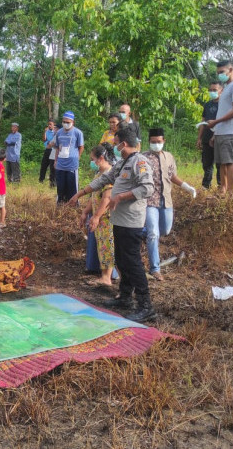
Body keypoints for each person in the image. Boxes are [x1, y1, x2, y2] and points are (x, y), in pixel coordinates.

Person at [86, 127, 156, 322]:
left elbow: (147, 188)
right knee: (122, 259)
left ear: (123, 144)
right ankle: (125, 297)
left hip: (131, 221)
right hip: (119, 220)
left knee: (132, 262)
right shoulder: (122, 163)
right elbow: (105, 179)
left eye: (116, 143)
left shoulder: (140, 162)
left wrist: (121, 197)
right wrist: (80, 194)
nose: (115, 147)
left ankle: (145, 305)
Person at [142, 129, 196, 281]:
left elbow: (172, 176)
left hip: (166, 200)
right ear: (149, 142)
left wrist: (186, 186)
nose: (156, 144)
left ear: (164, 141)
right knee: (153, 233)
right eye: (153, 142)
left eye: (159, 142)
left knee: (165, 230)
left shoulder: (169, 157)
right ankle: (155, 268)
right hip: (150, 200)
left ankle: (140, 232)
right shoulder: (143, 158)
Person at [80, 143, 119, 287]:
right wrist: (86, 211)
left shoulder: (109, 175)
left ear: (101, 158)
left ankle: (107, 277)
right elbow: (94, 196)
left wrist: (96, 216)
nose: (92, 162)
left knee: (107, 245)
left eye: (93, 159)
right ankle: (103, 275)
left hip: (106, 217)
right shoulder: (99, 174)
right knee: (101, 244)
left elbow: (106, 198)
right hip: (98, 217)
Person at [206, 60, 233, 197]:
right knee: (221, 162)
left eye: (222, 72)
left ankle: (230, 192)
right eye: (218, 73)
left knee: (228, 161)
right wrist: (215, 132)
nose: (220, 75)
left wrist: (217, 121)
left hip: (230, 130)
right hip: (221, 131)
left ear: (231, 70)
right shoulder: (226, 87)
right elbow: (223, 111)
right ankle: (223, 189)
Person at [54, 111, 85, 204]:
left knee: (72, 186)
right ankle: (61, 203)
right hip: (60, 164)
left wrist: (77, 157)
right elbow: (57, 148)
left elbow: (81, 147)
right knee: (60, 186)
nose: (65, 124)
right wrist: (56, 161)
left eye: (68, 122)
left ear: (73, 122)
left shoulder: (77, 133)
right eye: (64, 122)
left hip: (72, 164)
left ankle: (73, 205)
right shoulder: (59, 132)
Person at [196, 81, 222, 189]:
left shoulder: (224, 105)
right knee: (206, 163)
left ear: (221, 91)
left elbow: (223, 122)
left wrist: (215, 135)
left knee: (220, 164)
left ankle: (221, 186)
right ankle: (206, 186)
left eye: (214, 90)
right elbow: (203, 122)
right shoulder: (207, 105)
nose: (212, 92)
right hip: (206, 138)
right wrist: (199, 138)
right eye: (210, 90)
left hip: (219, 137)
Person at [39, 120, 57, 186]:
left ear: (53, 125)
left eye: (50, 124)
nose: (49, 126)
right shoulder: (47, 131)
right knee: (43, 165)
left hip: (53, 151)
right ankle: (41, 180)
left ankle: (52, 182)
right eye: (48, 124)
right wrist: (45, 132)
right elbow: (44, 140)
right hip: (47, 150)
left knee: (52, 167)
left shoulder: (56, 132)